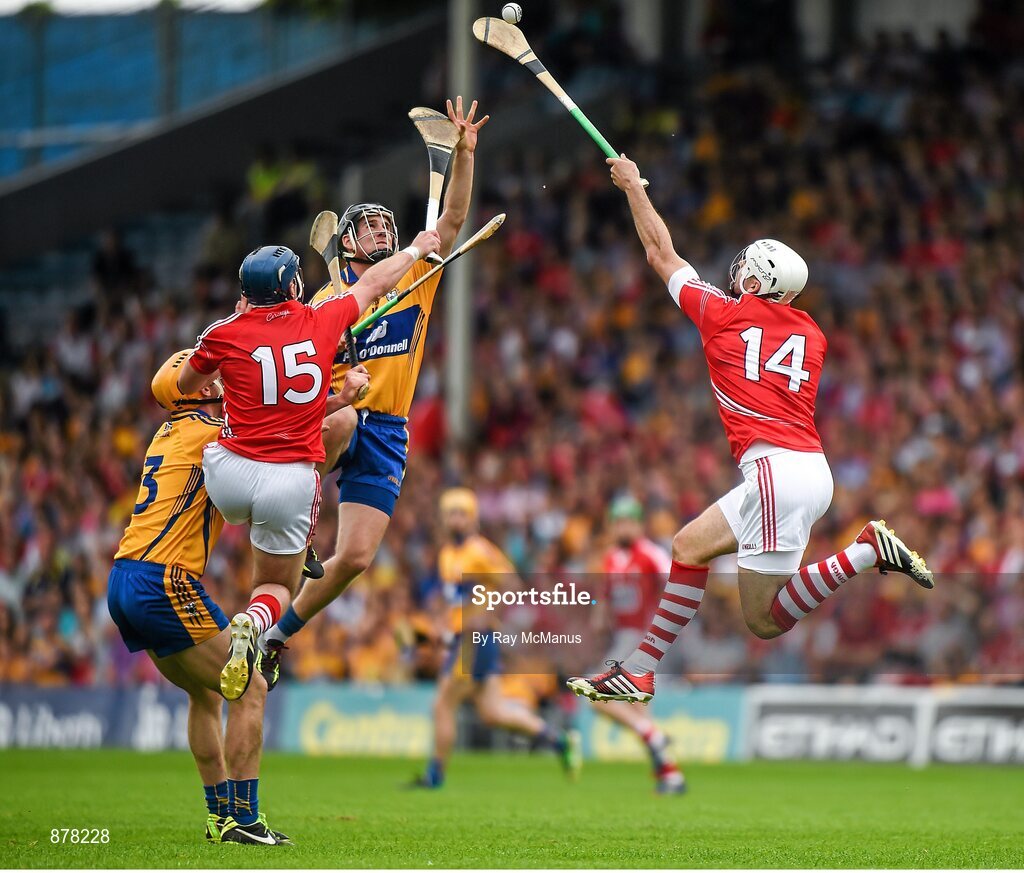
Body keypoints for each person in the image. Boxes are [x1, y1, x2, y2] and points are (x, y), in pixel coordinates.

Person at [568, 155, 934, 704]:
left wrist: (633, 188)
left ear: (760, 280)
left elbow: (659, 252)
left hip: (772, 472)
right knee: (688, 545)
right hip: (810, 471)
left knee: (763, 620)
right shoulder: (813, 333)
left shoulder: (722, 313)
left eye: (745, 271)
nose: (735, 276)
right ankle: (640, 670)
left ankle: (865, 551)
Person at [260, 98, 488, 676]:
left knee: (355, 558)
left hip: (388, 428)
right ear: (346, 246)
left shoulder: (417, 275)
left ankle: (277, 636)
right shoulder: (326, 303)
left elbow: (453, 221)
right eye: (369, 226)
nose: (383, 230)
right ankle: (302, 514)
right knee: (343, 420)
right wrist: (342, 388)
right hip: (332, 416)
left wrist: (463, 156)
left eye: (387, 224)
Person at [177, 233, 441, 701]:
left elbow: (185, 382)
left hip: (229, 475)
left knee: (211, 444)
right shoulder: (320, 319)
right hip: (287, 482)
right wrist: (418, 249)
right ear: (294, 285)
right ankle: (257, 622)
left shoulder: (222, 332)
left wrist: (226, 384)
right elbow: (374, 283)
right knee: (275, 584)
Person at [108, 350, 288, 845]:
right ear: (202, 391)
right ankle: (245, 819)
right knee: (250, 687)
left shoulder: (166, 433)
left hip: (123, 578)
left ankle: (218, 817)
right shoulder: (212, 438)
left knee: (204, 694)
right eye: (214, 378)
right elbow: (274, 438)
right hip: (161, 581)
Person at [414, 488, 581, 788]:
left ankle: (434, 775)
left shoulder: (481, 551)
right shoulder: (447, 554)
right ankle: (558, 740)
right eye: (451, 513)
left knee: (442, 704)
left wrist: (486, 614)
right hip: (466, 636)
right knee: (493, 712)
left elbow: (512, 584)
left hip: (475, 638)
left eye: (462, 513)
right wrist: (442, 623)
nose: (456, 519)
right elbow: (453, 600)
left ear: (473, 518)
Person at [592, 495, 685, 793]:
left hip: (642, 638)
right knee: (639, 709)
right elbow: (604, 600)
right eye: (618, 522)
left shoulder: (651, 554)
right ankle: (670, 775)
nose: (624, 528)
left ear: (640, 524)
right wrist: (598, 614)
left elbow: (679, 584)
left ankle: (652, 738)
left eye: (629, 522)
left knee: (595, 694)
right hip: (622, 639)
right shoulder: (610, 558)